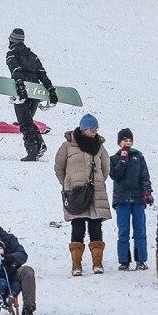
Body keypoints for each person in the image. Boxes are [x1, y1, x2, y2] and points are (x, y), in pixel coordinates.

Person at [54, 114, 111, 276]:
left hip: (95, 193)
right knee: (77, 227)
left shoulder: (99, 147)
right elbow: (59, 168)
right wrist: (68, 183)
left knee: (95, 226)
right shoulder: (67, 146)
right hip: (75, 193)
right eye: (92, 128)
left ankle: (97, 263)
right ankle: (76, 265)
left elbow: (106, 168)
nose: (95, 131)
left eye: (96, 129)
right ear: (84, 128)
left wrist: (98, 182)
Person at [6, 28, 58, 161]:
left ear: (12, 40)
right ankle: (39, 145)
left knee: (24, 123)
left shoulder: (12, 55)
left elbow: (16, 71)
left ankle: (32, 151)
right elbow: (42, 73)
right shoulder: (32, 55)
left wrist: (21, 88)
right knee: (28, 121)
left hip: (22, 92)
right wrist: (50, 90)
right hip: (35, 93)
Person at [109, 128, 153, 271]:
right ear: (119, 143)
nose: (127, 143)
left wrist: (147, 192)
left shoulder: (139, 157)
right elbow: (115, 175)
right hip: (121, 199)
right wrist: (122, 160)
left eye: (129, 140)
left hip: (137, 199)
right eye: (124, 140)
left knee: (140, 229)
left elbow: (144, 176)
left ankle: (141, 260)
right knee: (123, 230)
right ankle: (124, 261)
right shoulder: (114, 159)